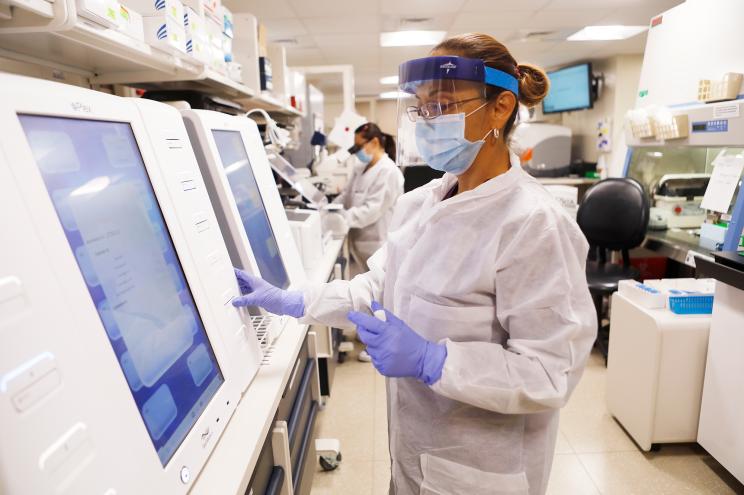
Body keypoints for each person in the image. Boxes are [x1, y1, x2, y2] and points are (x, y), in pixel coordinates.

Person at [233, 33, 597, 495]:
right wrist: (295, 299)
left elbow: (550, 372)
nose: (428, 121)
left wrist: (435, 360)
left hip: (481, 471)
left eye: (442, 105)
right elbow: (377, 286)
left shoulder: (534, 225)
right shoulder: (422, 203)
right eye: (421, 108)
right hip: (414, 451)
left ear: (501, 107)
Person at [335, 122, 404, 362]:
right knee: (364, 294)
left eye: (358, 146)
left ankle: (379, 346)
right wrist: (333, 207)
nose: (356, 152)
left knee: (380, 297)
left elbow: (373, 209)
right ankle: (368, 336)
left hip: (377, 241)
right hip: (358, 243)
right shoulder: (360, 168)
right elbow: (347, 195)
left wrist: (344, 218)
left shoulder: (389, 172)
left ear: (374, 142)